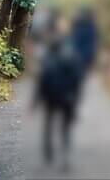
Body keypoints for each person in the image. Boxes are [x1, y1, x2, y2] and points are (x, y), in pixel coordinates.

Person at [35, 31, 84, 169]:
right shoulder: (71, 58)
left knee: (49, 124)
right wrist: (75, 96)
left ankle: (48, 150)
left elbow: (42, 82)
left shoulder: (47, 59)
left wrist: (37, 100)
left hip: (51, 98)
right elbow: (76, 79)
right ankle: (65, 157)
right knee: (65, 128)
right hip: (67, 98)